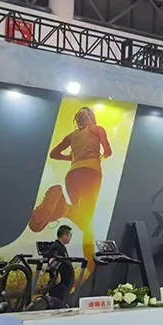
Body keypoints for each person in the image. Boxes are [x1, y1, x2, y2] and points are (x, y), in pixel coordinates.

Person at [28, 106, 112, 271]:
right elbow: (108, 151)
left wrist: (73, 158)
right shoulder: (97, 129)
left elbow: (53, 153)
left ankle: (63, 209)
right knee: (87, 223)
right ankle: (91, 267)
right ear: (92, 118)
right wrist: (102, 155)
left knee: (80, 215)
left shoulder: (72, 136)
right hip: (91, 174)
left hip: (72, 176)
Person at [46, 225, 75, 303]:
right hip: (59, 284)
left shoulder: (61, 247)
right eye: (70, 235)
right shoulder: (56, 247)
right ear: (65, 235)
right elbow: (52, 264)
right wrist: (57, 278)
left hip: (65, 283)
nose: (71, 237)